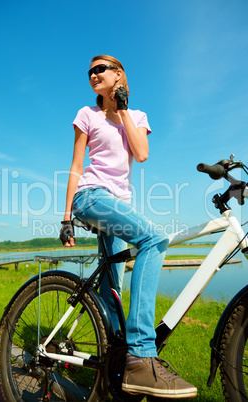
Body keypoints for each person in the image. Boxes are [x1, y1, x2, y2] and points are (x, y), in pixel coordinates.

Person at [60, 55, 197, 399]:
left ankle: (114, 370)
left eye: (100, 69)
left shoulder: (136, 117)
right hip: (91, 197)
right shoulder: (86, 114)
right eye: (89, 71)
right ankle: (141, 355)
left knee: (112, 294)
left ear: (118, 74)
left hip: (119, 206)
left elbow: (141, 154)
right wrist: (65, 217)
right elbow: (77, 167)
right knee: (154, 237)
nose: (93, 74)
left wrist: (121, 110)